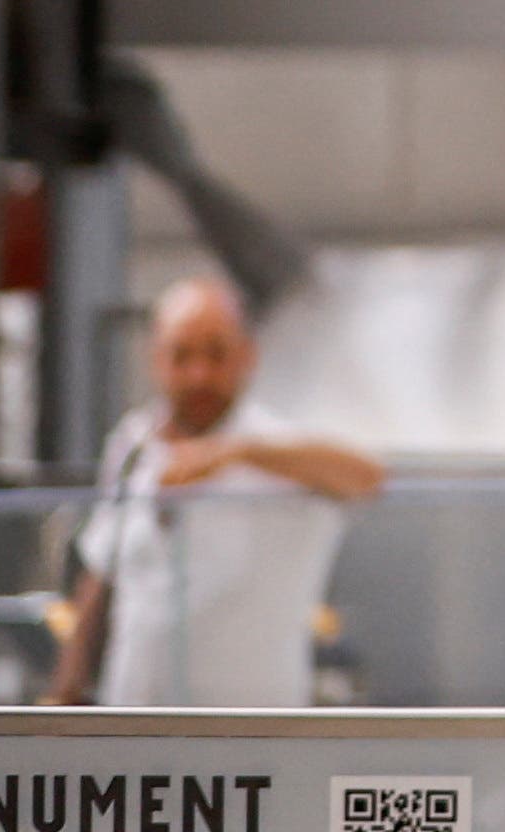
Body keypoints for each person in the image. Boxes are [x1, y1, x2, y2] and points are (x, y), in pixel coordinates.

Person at [57, 278, 380, 710]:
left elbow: (366, 477)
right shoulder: (132, 444)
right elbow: (102, 575)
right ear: (156, 360)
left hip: (253, 734)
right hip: (135, 724)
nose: (199, 375)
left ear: (247, 356)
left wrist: (235, 452)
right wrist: (66, 691)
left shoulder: (279, 446)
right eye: (181, 355)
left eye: (216, 354)